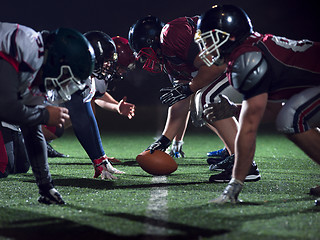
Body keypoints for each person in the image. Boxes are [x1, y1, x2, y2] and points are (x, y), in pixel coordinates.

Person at [195, 4, 320, 205]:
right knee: (292, 113)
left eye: (211, 39)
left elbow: (249, 128)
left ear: (232, 36)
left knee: (293, 117)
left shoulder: (247, 59)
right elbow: (270, 109)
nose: (206, 47)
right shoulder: (251, 50)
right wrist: (235, 109)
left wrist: (234, 185)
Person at [129, 15, 261, 182]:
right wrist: (164, 141)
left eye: (145, 53)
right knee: (201, 107)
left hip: (245, 59)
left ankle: (245, 164)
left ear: (154, 39)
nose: (146, 60)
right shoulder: (170, 62)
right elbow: (181, 103)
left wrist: (190, 88)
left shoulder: (172, 35)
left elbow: (215, 63)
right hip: (232, 66)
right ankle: (233, 152)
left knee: (207, 99)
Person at [0, 22, 95, 204]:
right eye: (67, 77)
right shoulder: (24, 46)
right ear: (58, 61)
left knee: (19, 164)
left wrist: (46, 186)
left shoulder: (38, 72)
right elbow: (5, 107)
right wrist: (45, 116)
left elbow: (32, 127)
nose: (66, 85)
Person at [62, 31, 135, 180]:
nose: (109, 65)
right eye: (106, 61)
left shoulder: (89, 78)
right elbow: (81, 119)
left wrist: (101, 158)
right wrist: (97, 160)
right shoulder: (75, 75)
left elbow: (88, 115)